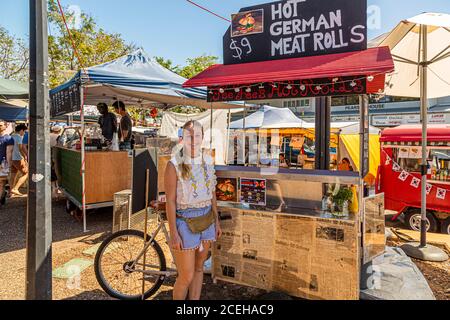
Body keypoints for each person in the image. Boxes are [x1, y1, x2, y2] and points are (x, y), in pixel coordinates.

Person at [165, 120, 222, 300]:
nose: (193, 139)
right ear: (182, 138)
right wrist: (173, 233)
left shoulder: (207, 160)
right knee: (186, 275)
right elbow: (170, 201)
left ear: (202, 137)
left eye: (197, 135)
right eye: (189, 135)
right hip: (185, 222)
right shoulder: (173, 164)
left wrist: (217, 221)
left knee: (199, 269)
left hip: (207, 219)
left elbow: (212, 193)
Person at [10, 124, 28, 197]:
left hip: (11, 158)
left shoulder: (11, 136)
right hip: (18, 158)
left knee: (13, 174)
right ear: (21, 130)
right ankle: (15, 189)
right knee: (26, 173)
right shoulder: (19, 137)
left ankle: (11, 192)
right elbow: (21, 148)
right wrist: (25, 156)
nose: (24, 133)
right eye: (24, 131)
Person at [0, 120, 14, 204]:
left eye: (0, 125)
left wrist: (9, 165)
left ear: (5, 126)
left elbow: (9, 152)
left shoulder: (8, 138)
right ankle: (2, 196)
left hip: (2, 163)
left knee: (1, 182)